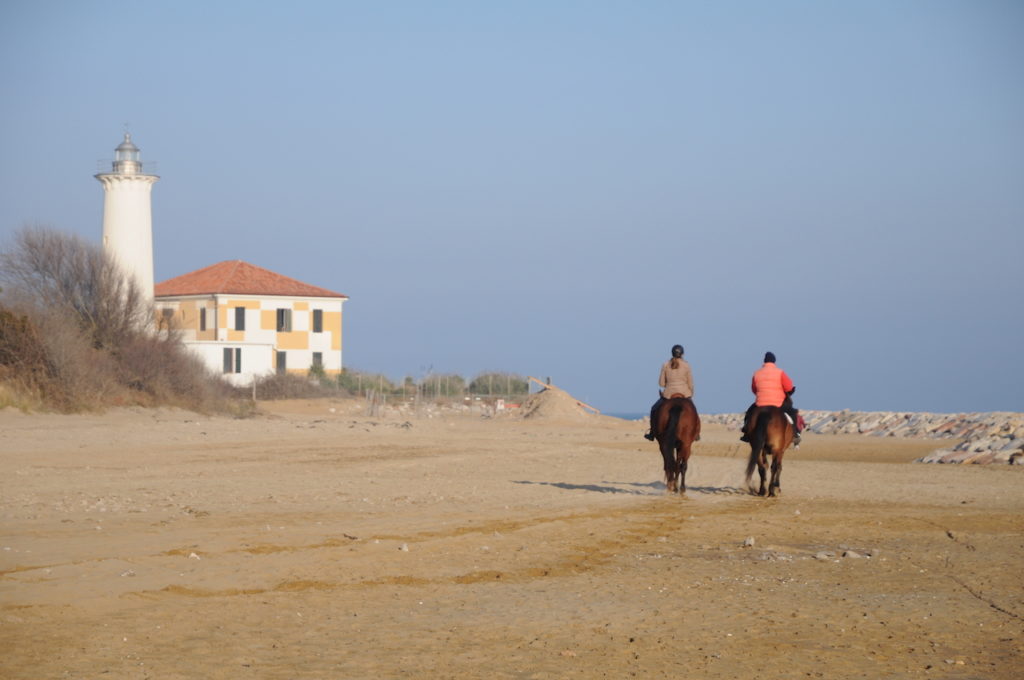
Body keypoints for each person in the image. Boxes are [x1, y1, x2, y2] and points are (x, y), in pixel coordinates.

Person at [740, 351, 801, 445]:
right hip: (778, 403)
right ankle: (795, 434)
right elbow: (789, 387)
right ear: (774, 361)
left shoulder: (757, 373)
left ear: (764, 361)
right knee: (793, 413)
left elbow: (753, 388)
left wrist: (761, 393)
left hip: (761, 403)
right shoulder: (780, 372)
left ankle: (746, 433)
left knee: (749, 413)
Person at [644, 344, 694, 441]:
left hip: (668, 394)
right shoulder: (687, 365)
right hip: (685, 393)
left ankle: (652, 433)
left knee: (654, 409)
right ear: (682, 354)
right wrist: (691, 393)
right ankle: (696, 433)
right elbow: (690, 383)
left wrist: (670, 384)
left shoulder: (665, 364)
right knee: (693, 410)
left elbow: (661, 383)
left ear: (672, 353)